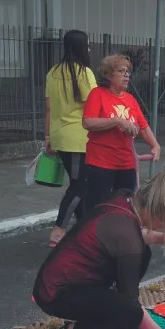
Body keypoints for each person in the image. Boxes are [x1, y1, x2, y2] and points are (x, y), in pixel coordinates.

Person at [32, 170, 165, 329]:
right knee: (129, 312)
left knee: (142, 258)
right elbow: (131, 302)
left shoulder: (125, 199)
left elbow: (138, 234)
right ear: (155, 211)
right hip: (56, 293)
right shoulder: (125, 235)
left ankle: (114, 320)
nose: (158, 228)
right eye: (162, 223)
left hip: (61, 280)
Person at [82, 54, 161, 212]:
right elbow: (87, 122)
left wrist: (155, 145)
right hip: (101, 161)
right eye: (121, 71)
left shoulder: (130, 99)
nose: (126, 75)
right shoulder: (98, 94)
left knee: (125, 206)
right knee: (97, 206)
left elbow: (143, 127)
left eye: (127, 71)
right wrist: (118, 121)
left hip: (126, 162)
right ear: (108, 75)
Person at [44, 30, 98, 248]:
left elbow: (48, 108)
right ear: (81, 48)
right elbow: (95, 106)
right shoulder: (85, 73)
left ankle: (85, 228)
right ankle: (59, 229)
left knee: (78, 184)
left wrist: (47, 136)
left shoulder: (52, 73)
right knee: (79, 186)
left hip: (59, 136)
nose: (89, 49)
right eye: (87, 45)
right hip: (79, 139)